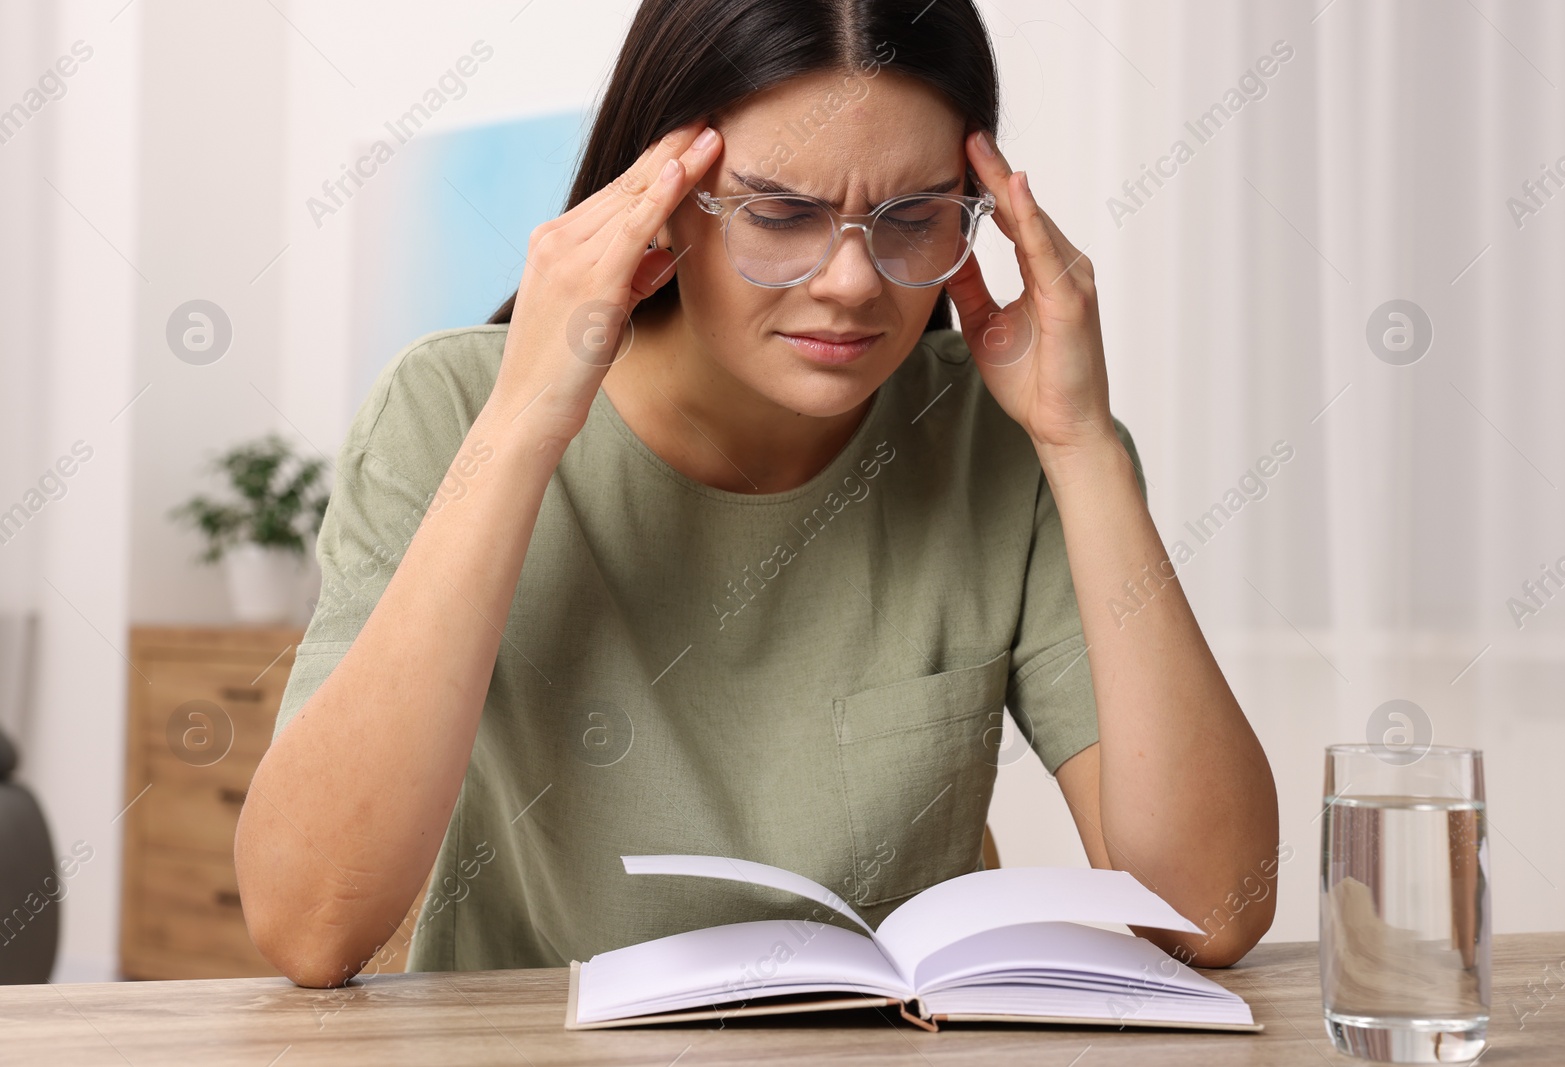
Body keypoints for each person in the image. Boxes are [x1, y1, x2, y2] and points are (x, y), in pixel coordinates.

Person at [235, 0, 1279, 989]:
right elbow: (309, 923)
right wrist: (525, 424)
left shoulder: (1007, 440)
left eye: (915, 217)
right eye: (781, 213)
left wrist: (1082, 441)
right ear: (661, 198)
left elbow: (1208, 908)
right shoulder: (454, 405)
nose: (853, 281)